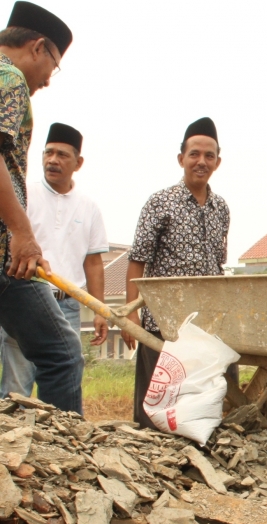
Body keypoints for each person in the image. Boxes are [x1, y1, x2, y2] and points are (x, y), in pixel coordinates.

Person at [0, 2, 83, 413]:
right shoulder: (9, 77)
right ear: (38, 47)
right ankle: (74, 460)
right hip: (5, 259)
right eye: (53, 65)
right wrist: (22, 233)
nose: (48, 81)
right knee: (62, 352)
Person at [122, 117, 230, 429]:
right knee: (155, 409)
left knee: (198, 406)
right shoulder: (160, 203)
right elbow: (137, 260)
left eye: (209, 156)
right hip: (164, 322)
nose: (201, 162)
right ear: (181, 158)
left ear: (217, 162)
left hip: (206, 324)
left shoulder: (221, 208)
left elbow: (218, 264)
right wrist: (131, 316)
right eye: (194, 154)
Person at [0, 122, 108, 397]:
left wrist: (99, 310)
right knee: (16, 388)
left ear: (78, 162)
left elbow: (93, 262)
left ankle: (58, 439)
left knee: (65, 376)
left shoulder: (89, 207)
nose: (52, 160)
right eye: (48, 153)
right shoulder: (22, 195)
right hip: (26, 299)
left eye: (61, 155)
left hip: (68, 305)